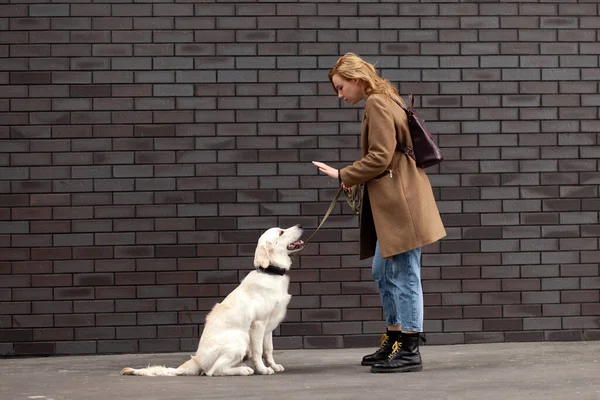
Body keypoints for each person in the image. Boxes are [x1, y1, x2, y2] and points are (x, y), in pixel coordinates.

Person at [312, 53, 446, 373]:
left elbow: (381, 157)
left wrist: (343, 174)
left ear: (357, 80)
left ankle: (410, 348)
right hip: (396, 198)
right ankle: (395, 337)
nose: (340, 94)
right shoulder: (388, 96)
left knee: (404, 274)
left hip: (401, 202)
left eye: (341, 87)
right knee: (383, 272)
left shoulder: (377, 102)